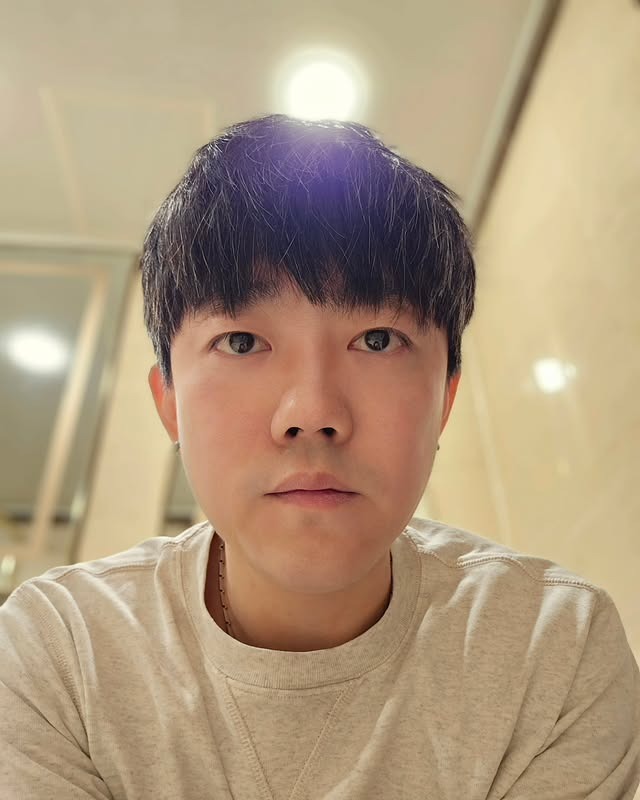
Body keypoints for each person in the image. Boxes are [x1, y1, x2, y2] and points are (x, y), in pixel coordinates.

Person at [1, 114, 639, 799]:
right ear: (170, 404)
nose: (312, 413)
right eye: (242, 342)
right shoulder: (59, 651)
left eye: (378, 340)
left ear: (445, 401)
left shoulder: (552, 648)